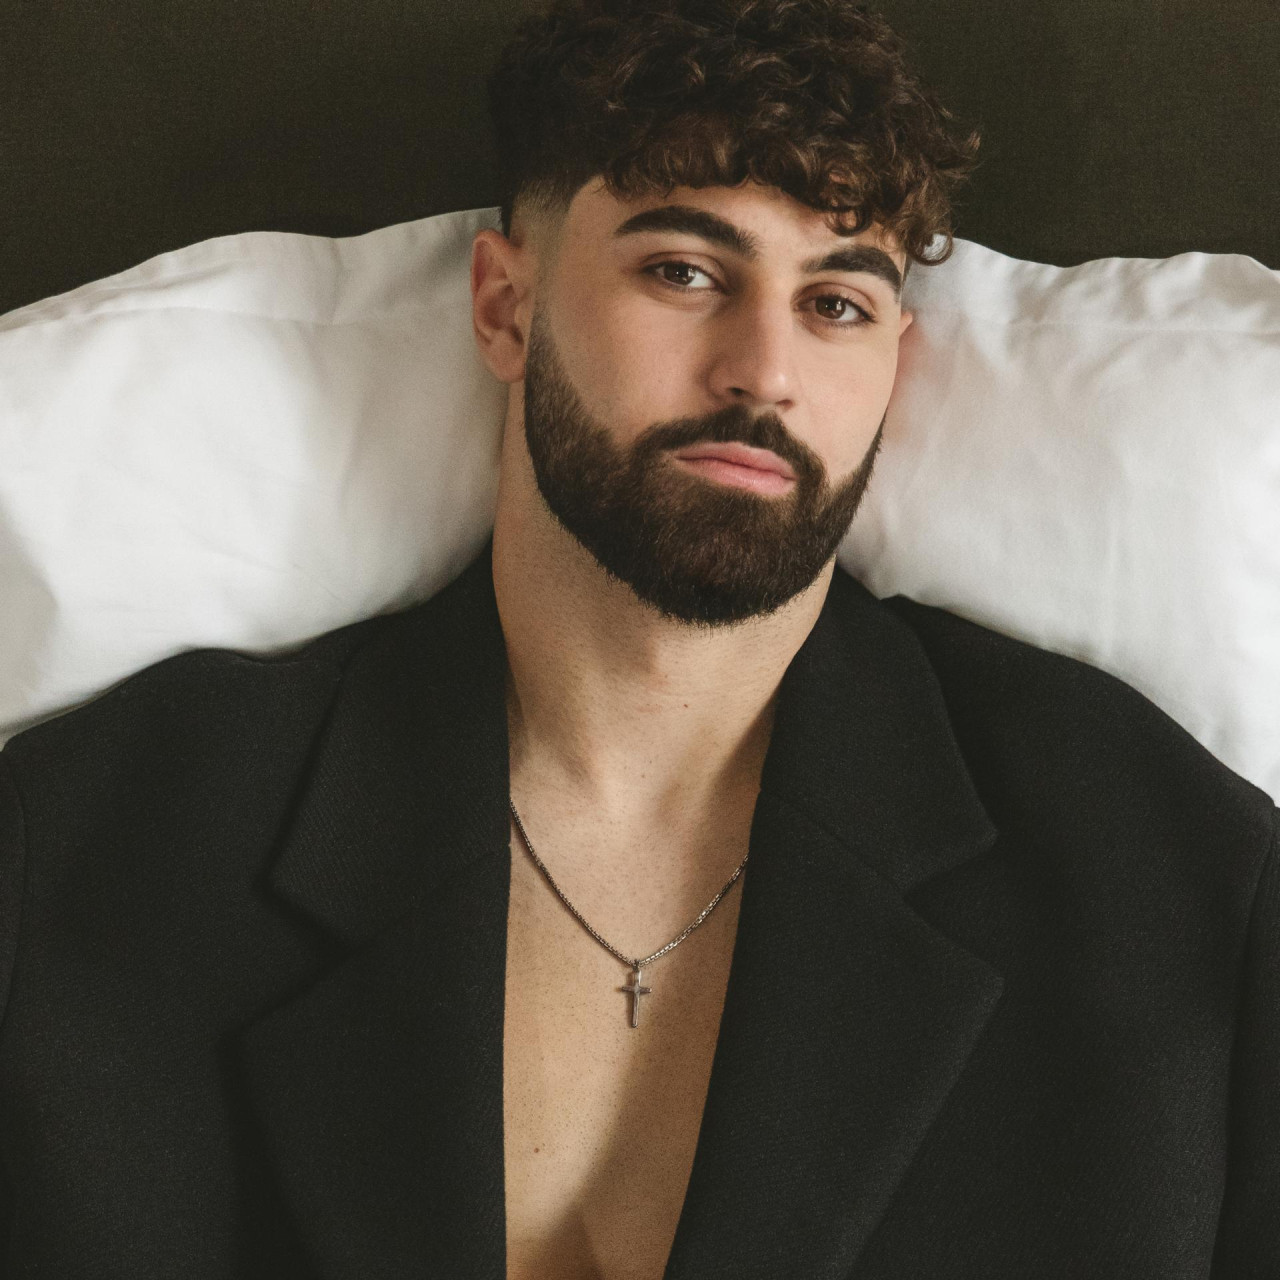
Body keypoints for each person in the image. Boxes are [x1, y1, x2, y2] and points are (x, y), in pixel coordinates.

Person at [1, 0, 1277, 1275]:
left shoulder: (1171, 879)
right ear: (504, 308)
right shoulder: (94, 841)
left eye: (836, 302)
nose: (763, 369)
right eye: (683, 271)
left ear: (896, 355)